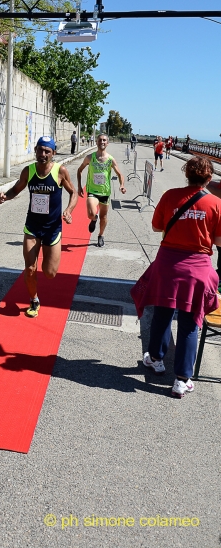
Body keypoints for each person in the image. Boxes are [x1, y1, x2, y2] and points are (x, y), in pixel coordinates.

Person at [131, 157, 221, 398]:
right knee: (191, 322)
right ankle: (182, 379)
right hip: (198, 269)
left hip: (168, 265)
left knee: (163, 312)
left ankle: (157, 360)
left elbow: (156, 227)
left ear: (187, 175)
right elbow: (219, 241)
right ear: (209, 179)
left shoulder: (170, 195)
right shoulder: (216, 203)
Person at [0, 136, 78, 318]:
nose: (43, 154)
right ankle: (34, 299)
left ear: (53, 153)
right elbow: (16, 189)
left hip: (52, 228)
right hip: (32, 227)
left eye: (47, 151)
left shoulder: (60, 171)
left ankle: (49, 258)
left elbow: (73, 192)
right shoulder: (29, 170)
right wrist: (5, 197)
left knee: (49, 273)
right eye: (40, 150)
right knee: (30, 268)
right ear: (35, 150)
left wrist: (69, 210)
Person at [77, 134, 126, 248]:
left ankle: (100, 235)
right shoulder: (90, 157)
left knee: (103, 216)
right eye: (100, 140)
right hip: (92, 191)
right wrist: (79, 186)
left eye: (104, 140)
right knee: (91, 213)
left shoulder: (110, 159)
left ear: (107, 143)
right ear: (97, 142)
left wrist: (122, 185)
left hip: (105, 192)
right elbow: (79, 170)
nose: (102, 142)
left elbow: (120, 174)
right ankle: (94, 219)